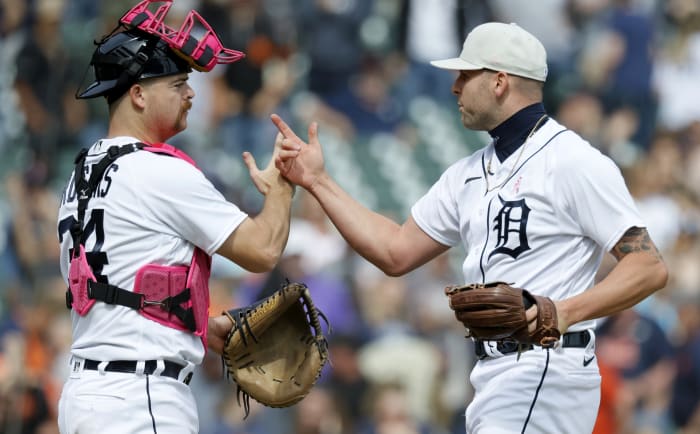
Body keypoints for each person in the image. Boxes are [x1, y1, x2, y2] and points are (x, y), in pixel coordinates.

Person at [272, 22, 669, 433]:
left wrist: (564, 311)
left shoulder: (572, 162)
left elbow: (648, 267)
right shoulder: (467, 174)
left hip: (546, 367)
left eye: (465, 74)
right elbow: (394, 251)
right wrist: (318, 182)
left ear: (499, 81)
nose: (455, 87)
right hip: (493, 374)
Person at [55, 2, 295, 433]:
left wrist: (196, 324)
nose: (192, 94)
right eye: (179, 83)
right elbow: (263, 250)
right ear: (139, 93)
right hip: (140, 397)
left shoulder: (82, 170)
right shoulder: (158, 170)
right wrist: (283, 185)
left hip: (87, 395)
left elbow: (118, 287)